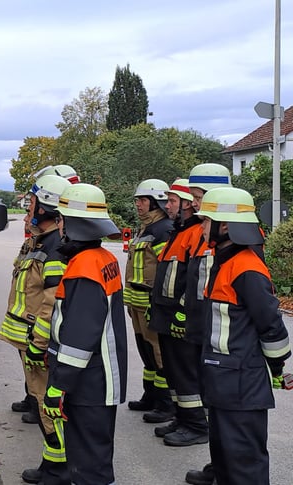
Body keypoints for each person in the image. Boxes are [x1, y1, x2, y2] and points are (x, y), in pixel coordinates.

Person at [195, 187, 290, 485]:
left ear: (225, 226)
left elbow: (271, 325)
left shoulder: (246, 267)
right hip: (224, 381)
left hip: (241, 385)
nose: (201, 227)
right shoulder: (224, 260)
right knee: (225, 461)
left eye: (206, 220)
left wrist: (277, 368)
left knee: (244, 466)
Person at [43, 183, 126, 485]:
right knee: (94, 457)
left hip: (88, 382)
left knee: (89, 465)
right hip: (98, 378)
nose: (59, 225)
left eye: (61, 219)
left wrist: (58, 386)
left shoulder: (84, 267)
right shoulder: (102, 258)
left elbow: (79, 338)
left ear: (73, 223)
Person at [0, 174, 71, 485]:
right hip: (30, 341)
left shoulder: (54, 248)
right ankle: (52, 464)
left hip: (38, 343)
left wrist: (39, 344)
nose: (28, 208)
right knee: (42, 405)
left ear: (45, 208)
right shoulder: (40, 241)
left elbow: (51, 303)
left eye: (32, 203)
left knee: (47, 407)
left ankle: (59, 469)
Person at [178, 163, 232, 484]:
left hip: (221, 338)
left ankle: (226, 469)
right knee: (213, 406)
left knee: (224, 411)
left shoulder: (233, 237)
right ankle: (218, 467)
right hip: (205, 330)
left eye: (198, 197)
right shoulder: (206, 232)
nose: (194, 204)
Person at [148, 179, 210, 445]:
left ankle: (196, 425)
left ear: (187, 204)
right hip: (167, 315)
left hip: (179, 317)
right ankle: (182, 417)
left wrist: (182, 314)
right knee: (173, 372)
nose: (168, 206)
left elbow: (195, 280)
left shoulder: (196, 232)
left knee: (185, 372)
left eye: (173, 201)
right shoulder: (179, 231)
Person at [123, 179, 173, 414]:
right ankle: (150, 396)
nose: (138, 204)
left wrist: (159, 303)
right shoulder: (145, 228)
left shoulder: (164, 230)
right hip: (137, 304)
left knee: (158, 353)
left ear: (156, 203)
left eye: (143, 200)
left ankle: (165, 404)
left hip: (152, 304)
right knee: (146, 352)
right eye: (137, 200)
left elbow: (166, 269)